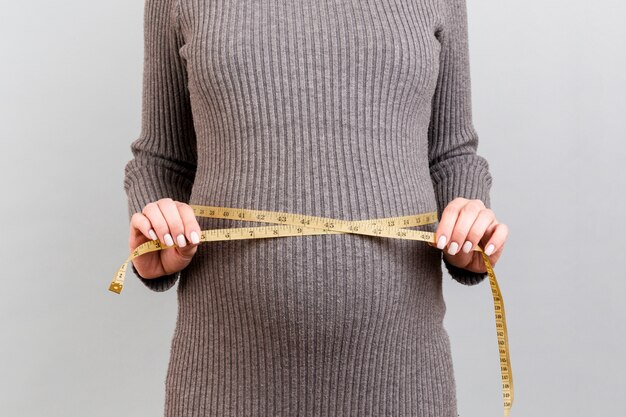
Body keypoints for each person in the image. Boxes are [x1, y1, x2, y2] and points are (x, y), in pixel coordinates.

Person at [123, 0, 509, 415]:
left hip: (402, 378)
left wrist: (468, 219)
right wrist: (156, 227)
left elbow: (451, 155)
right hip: (224, 378)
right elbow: (162, 160)